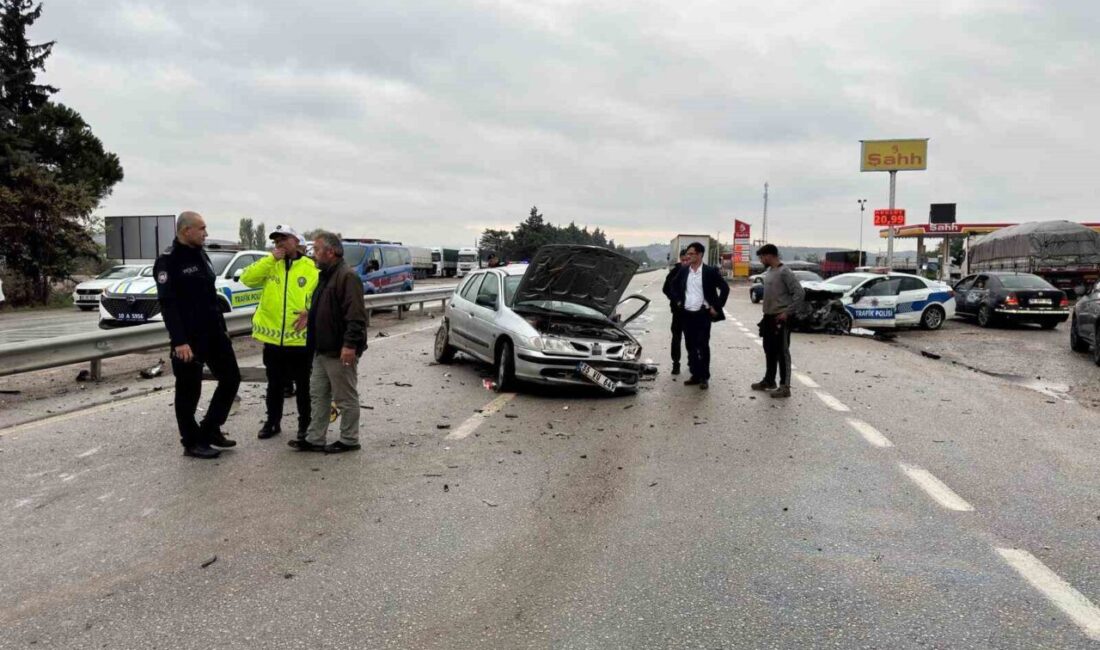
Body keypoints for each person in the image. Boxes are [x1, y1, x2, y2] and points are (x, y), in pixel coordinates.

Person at [154, 211, 241, 459]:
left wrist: (223, 329)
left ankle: (210, 428)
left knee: (231, 378)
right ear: (186, 231)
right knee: (189, 391)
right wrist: (179, 341)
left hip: (214, 333)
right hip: (188, 340)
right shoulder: (168, 262)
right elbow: (168, 304)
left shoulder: (201, 254)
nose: (206, 233)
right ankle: (191, 442)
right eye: (202, 228)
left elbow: (210, 296)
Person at [240, 225, 319, 441]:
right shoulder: (270, 265)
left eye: (284, 239)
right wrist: (270, 259)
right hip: (274, 340)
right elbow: (247, 279)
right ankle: (272, 422)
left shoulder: (310, 267)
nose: (280, 244)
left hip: (300, 339)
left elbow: (322, 296)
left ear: (296, 241)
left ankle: (305, 425)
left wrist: (309, 312)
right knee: (274, 385)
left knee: (303, 386)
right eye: (276, 241)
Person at [291, 231, 368, 453]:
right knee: (318, 395)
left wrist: (350, 346)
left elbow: (356, 316)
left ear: (330, 252)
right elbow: (327, 306)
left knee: (345, 398)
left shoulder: (347, 276)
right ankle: (314, 438)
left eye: (316, 250)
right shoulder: (325, 275)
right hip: (321, 349)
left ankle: (349, 439)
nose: (313, 255)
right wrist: (310, 315)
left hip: (338, 350)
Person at [668, 241, 730, 390]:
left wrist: (717, 306)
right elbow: (673, 286)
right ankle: (695, 374)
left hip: (703, 314)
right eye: (687, 254)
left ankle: (704, 377)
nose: (688, 256)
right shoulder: (684, 271)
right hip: (687, 314)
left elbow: (725, 288)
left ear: (700, 254)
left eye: (691, 254)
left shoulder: (709, 272)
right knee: (690, 346)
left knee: (702, 345)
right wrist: (677, 301)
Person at [752, 244, 805, 398]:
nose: (761, 260)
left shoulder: (785, 272)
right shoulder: (769, 272)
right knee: (769, 349)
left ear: (769, 256)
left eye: (762, 257)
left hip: (780, 319)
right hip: (768, 318)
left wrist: (787, 312)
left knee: (782, 352)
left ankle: (785, 386)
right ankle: (769, 380)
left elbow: (799, 293)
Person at [661, 249, 690, 375]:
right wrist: (676, 300)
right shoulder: (675, 272)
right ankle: (676, 364)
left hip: (692, 312)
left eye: (687, 260)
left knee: (692, 339)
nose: (684, 262)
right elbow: (665, 289)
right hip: (678, 312)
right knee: (676, 338)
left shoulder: (695, 272)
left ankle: (692, 362)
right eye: (682, 260)